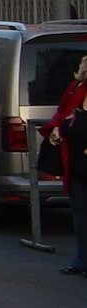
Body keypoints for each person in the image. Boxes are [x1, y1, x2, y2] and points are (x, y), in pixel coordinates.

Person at [54, 56, 87, 276]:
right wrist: (56, 130)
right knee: (80, 214)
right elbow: (60, 115)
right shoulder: (76, 89)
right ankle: (82, 259)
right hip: (76, 166)